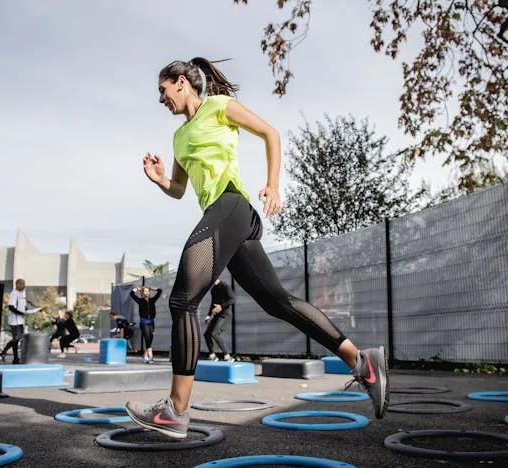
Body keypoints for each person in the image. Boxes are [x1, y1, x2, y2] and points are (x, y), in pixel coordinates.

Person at [124, 57, 389, 439]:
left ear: (181, 82)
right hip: (227, 220)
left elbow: (270, 133)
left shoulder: (218, 107)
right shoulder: (179, 138)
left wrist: (273, 183)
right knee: (277, 302)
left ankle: (175, 410)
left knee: (182, 301)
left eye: (163, 90)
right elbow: (181, 189)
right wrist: (161, 178)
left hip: (231, 206)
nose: (161, 99)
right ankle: (362, 361)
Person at [203, 278, 235, 362]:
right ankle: (212, 355)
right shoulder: (213, 289)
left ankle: (227, 356)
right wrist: (209, 315)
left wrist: (221, 307)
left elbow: (232, 299)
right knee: (207, 334)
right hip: (217, 315)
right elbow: (213, 303)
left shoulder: (225, 286)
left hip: (225, 315)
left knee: (215, 333)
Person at [130, 286, 162, 363]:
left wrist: (153, 288)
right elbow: (131, 293)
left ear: (149, 292)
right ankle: (150, 357)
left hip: (151, 322)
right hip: (143, 322)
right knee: (147, 338)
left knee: (150, 339)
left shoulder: (152, 300)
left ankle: (145, 356)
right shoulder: (140, 301)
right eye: (144, 291)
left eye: (148, 291)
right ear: (142, 293)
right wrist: (137, 289)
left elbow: (160, 291)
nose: (146, 292)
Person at [0, 278, 27, 364]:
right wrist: (20, 313)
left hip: (20, 320)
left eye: (24, 284)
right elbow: (11, 307)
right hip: (14, 321)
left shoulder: (21, 295)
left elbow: (21, 306)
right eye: (22, 284)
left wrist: (25, 310)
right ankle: (3, 351)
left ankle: (15, 358)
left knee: (17, 339)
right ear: (17, 284)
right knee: (17, 338)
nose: (24, 286)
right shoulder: (14, 294)